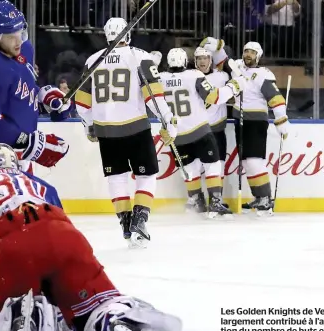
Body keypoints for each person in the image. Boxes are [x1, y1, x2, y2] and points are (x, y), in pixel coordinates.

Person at [0, 143, 182, 331]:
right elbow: (54, 249)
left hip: (12, 240)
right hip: (64, 234)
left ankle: (22, 315)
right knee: (92, 300)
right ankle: (111, 319)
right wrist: (62, 313)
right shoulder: (41, 185)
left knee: (12, 302)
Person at [75, 17, 178, 248]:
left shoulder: (93, 60)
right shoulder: (139, 56)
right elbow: (154, 95)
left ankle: (125, 221)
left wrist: (89, 125)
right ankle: (140, 219)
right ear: (127, 34)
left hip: (105, 131)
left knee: (116, 177)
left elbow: (81, 104)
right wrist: (169, 122)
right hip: (135, 126)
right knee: (146, 175)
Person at [0, 0, 70, 174]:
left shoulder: (23, 49)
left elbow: (19, 90)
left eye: (21, 32)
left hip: (18, 152)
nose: (18, 41)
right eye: (11, 36)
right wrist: (32, 143)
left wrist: (44, 98)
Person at [201, 37, 289, 216]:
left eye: (253, 52)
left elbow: (276, 99)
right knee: (248, 162)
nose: (248, 54)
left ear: (259, 56)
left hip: (256, 122)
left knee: (255, 161)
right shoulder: (238, 66)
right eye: (246, 51)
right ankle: (259, 197)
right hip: (241, 120)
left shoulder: (264, 74)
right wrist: (216, 47)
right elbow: (223, 62)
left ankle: (265, 198)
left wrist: (281, 120)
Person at [159, 48, 245, 218]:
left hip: (176, 134)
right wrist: (234, 86)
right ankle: (214, 202)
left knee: (190, 169)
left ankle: (197, 201)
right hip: (199, 131)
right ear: (185, 61)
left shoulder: (160, 78)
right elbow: (214, 98)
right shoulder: (194, 75)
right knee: (213, 165)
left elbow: (150, 101)